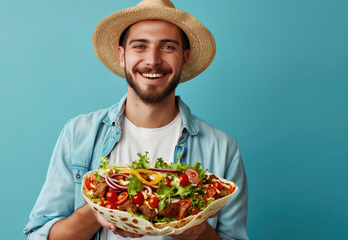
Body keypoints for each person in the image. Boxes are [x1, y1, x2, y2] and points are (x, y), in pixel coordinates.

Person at [23, 0, 248, 239]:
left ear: (184, 58)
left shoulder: (223, 149)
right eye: (140, 46)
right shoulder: (78, 134)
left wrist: (198, 231)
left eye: (168, 47)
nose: (152, 60)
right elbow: (38, 235)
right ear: (122, 56)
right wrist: (97, 211)